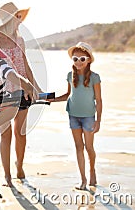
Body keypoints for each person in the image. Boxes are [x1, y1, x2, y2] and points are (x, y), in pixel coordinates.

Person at [0, 2, 44, 187]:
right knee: (5, 134)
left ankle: (19, 166)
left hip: (23, 90)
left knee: (21, 132)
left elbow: (25, 64)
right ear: (9, 19)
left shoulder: (20, 39)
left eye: (20, 17)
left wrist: (35, 87)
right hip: (3, 92)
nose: (20, 21)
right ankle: (7, 175)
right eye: (17, 17)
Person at [49, 42, 102, 190]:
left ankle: (92, 171)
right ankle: (83, 180)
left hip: (89, 117)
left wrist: (98, 120)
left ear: (89, 60)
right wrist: (52, 100)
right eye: (75, 59)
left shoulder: (94, 77)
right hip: (73, 115)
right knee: (79, 147)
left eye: (82, 59)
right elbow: (67, 95)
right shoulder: (69, 76)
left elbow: (99, 100)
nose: (78, 62)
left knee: (89, 147)